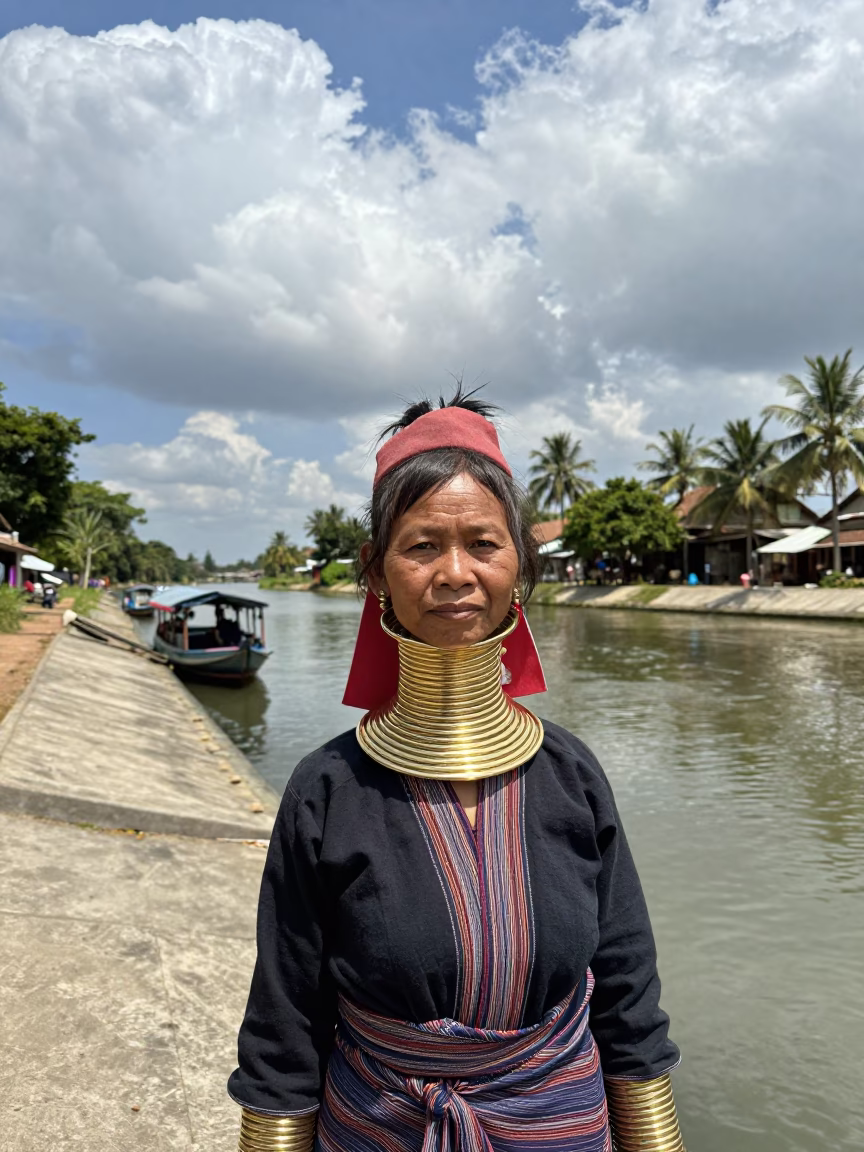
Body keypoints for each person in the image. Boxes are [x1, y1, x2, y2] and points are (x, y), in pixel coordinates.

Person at [229, 391, 685, 1152]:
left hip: (562, 1127)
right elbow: (284, 1024)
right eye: (420, 547)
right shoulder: (327, 789)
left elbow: (629, 998)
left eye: (483, 543)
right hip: (379, 1130)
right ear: (376, 571)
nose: (454, 573)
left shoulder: (571, 773)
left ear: (520, 564)